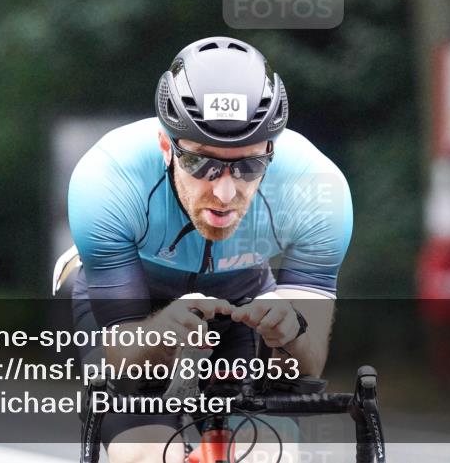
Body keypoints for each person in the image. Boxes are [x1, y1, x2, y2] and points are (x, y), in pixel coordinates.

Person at [66, 36, 353, 463]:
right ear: (167, 146)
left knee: (267, 454)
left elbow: (306, 368)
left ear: (272, 151)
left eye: (249, 165)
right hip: (136, 300)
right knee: (146, 454)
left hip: (241, 299)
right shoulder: (107, 177)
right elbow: (123, 355)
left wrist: (289, 330)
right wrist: (160, 330)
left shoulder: (317, 188)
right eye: (202, 163)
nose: (224, 190)